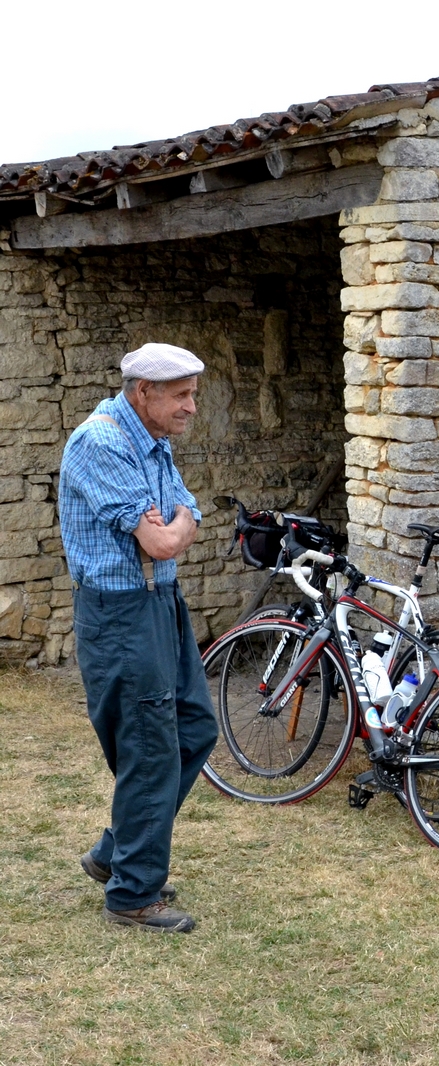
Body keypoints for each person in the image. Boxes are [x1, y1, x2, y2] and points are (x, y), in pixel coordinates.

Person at [59, 343, 219, 932]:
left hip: (160, 603)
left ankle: (115, 854)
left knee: (195, 725)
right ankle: (132, 894)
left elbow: (189, 512)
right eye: (181, 395)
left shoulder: (152, 440)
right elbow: (164, 541)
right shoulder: (101, 443)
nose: (192, 407)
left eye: (193, 394)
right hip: (120, 611)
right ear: (141, 392)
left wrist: (177, 521)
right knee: (150, 745)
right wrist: (176, 524)